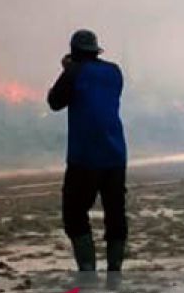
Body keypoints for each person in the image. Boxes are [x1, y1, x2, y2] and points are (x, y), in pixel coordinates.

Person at [47, 28, 128, 275]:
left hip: (85, 157)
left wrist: (66, 69)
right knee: (115, 214)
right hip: (115, 154)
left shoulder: (74, 72)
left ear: (74, 52)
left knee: (74, 213)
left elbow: (54, 102)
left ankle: (87, 269)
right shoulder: (115, 72)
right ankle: (115, 269)